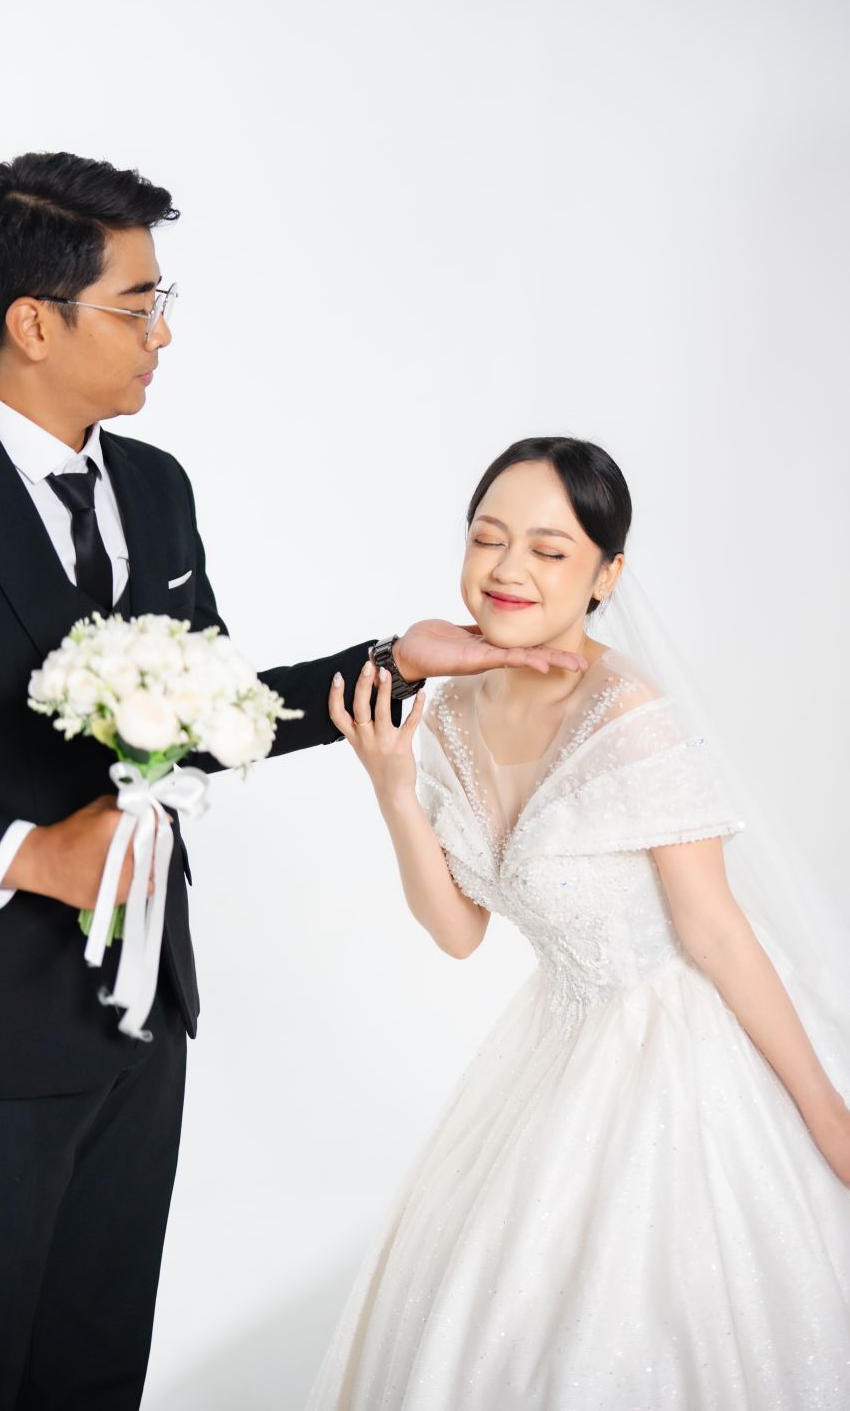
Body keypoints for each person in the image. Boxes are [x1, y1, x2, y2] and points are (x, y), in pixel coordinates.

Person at [0, 155, 587, 1411]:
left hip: (142, 1016)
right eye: (136, 304)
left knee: (96, 1372)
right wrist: (26, 854)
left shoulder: (155, 488)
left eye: (163, 299)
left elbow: (207, 714)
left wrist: (391, 661)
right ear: (34, 322)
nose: (163, 332)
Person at [310, 435, 850, 1410]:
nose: (507, 569)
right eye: (487, 538)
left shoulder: (628, 712)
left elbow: (716, 931)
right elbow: (458, 931)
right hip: (554, 1043)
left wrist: (826, 1116)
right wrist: (391, 786)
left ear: (605, 574)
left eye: (548, 550)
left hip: (682, 1052)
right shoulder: (451, 708)